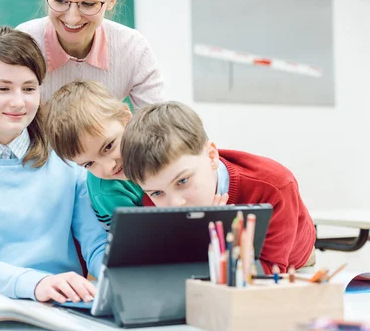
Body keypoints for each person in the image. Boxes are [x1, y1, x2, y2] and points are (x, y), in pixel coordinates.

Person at [0, 26, 107, 304]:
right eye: (3, 88)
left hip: (62, 304)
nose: (18, 102)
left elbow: (97, 246)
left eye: (29, 88)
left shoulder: (69, 162)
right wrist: (36, 283)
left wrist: (118, 274)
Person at [120, 101, 317, 273]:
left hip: (294, 263)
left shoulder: (274, 186)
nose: (175, 204)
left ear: (212, 156)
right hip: (221, 266)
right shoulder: (151, 199)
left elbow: (269, 268)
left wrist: (212, 239)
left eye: (182, 181)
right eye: (157, 193)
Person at [45, 79, 227, 228]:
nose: (109, 167)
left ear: (126, 118)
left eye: (108, 146)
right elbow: (147, 244)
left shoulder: (160, 146)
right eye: (89, 164)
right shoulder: (108, 192)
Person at [17, 0, 168, 107]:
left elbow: (158, 125)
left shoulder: (132, 48)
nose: (72, 18)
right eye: (60, 0)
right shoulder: (24, 44)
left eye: (88, 4)